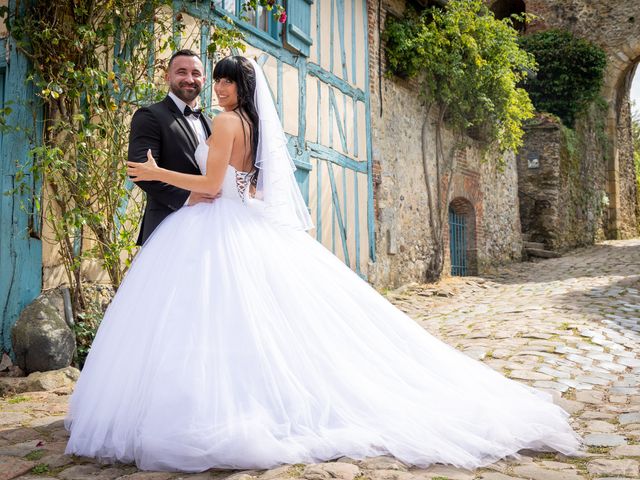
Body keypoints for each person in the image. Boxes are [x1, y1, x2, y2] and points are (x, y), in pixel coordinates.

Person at [64, 55, 581, 473]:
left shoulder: (223, 122)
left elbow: (207, 185)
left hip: (211, 223)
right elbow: (253, 184)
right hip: (242, 221)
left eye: (222, 81)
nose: (216, 87)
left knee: (213, 315)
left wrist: (163, 173)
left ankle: (213, 408)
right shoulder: (255, 124)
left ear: (238, 87)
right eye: (212, 80)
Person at [128, 49, 217, 246]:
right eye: (181, 72)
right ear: (168, 76)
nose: (189, 79)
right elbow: (138, 171)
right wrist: (187, 196)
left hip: (208, 227)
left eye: (195, 73)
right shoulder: (150, 116)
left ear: (203, 78)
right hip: (166, 225)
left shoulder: (212, 124)